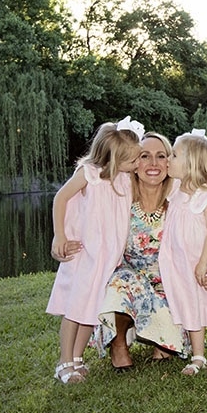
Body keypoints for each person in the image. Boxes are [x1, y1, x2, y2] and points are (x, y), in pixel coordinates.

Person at [88, 131, 207, 370]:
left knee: (178, 327)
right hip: (130, 277)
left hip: (173, 282)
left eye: (162, 156)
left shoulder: (180, 193)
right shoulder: (121, 195)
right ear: (134, 162)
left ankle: (164, 340)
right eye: (144, 156)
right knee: (119, 285)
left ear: (170, 162)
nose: (153, 164)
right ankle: (119, 343)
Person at [46, 116, 145, 384]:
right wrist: (60, 235)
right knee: (75, 308)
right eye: (133, 160)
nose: (137, 164)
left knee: (91, 310)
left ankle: (78, 358)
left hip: (106, 258)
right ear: (113, 159)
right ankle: (64, 362)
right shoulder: (88, 174)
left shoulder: (124, 180)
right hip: (85, 254)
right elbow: (61, 198)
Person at [159, 128, 207, 375]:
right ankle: (197, 355)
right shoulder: (175, 191)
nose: (169, 160)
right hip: (181, 264)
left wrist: (204, 261)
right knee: (191, 307)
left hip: (204, 262)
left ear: (192, 164)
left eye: (174, 156)